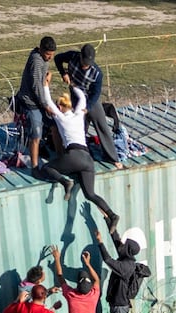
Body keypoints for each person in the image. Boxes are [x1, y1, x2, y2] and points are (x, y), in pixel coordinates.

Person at [39, 72, 120, 226]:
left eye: (58, 106)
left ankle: (65, 183)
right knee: (90, 194)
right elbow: (82, 98)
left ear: (61, 107)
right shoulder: (79, 114)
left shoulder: (60, 117)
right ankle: (112, 214)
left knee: (47, 167)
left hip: (73, 155)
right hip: (88, 159)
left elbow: (48, 101)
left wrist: (46, 85)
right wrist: (72, 84)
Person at [54, 43, 124, 169]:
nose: (85, 65)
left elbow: (96, 93)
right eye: (84, 62)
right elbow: (57, 58)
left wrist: (89, 107)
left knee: (101, 124)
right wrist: (63, 73)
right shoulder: (72, 56)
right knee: (79, 127)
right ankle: (77, 153)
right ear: (80, 56)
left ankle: (112, 157)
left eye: (88, 63)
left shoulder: (97, 74)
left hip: (90, 98)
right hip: (75, 95)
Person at [95, 228, 142, 313]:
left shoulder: (125, 266)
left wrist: (100, 242)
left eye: (125, 245)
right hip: (119, 304)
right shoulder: (126, 260)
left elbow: (108, 260)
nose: (122, 246)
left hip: (119, 305)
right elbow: (118, 245)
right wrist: (112, 229)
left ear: (127, 249)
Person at [16, 36, 57, 175]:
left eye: (52, 55)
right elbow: (35, 86)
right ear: (40, 49)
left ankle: (61, 158)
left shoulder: (42, 58)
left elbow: (40, 81)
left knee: (54, 126)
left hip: (40, 101)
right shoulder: (36, 61)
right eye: (48, 54)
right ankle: (34, 167)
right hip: (31, 103)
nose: (50, 58)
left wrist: (47, 77)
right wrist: (45, 105)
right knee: (36, 135)